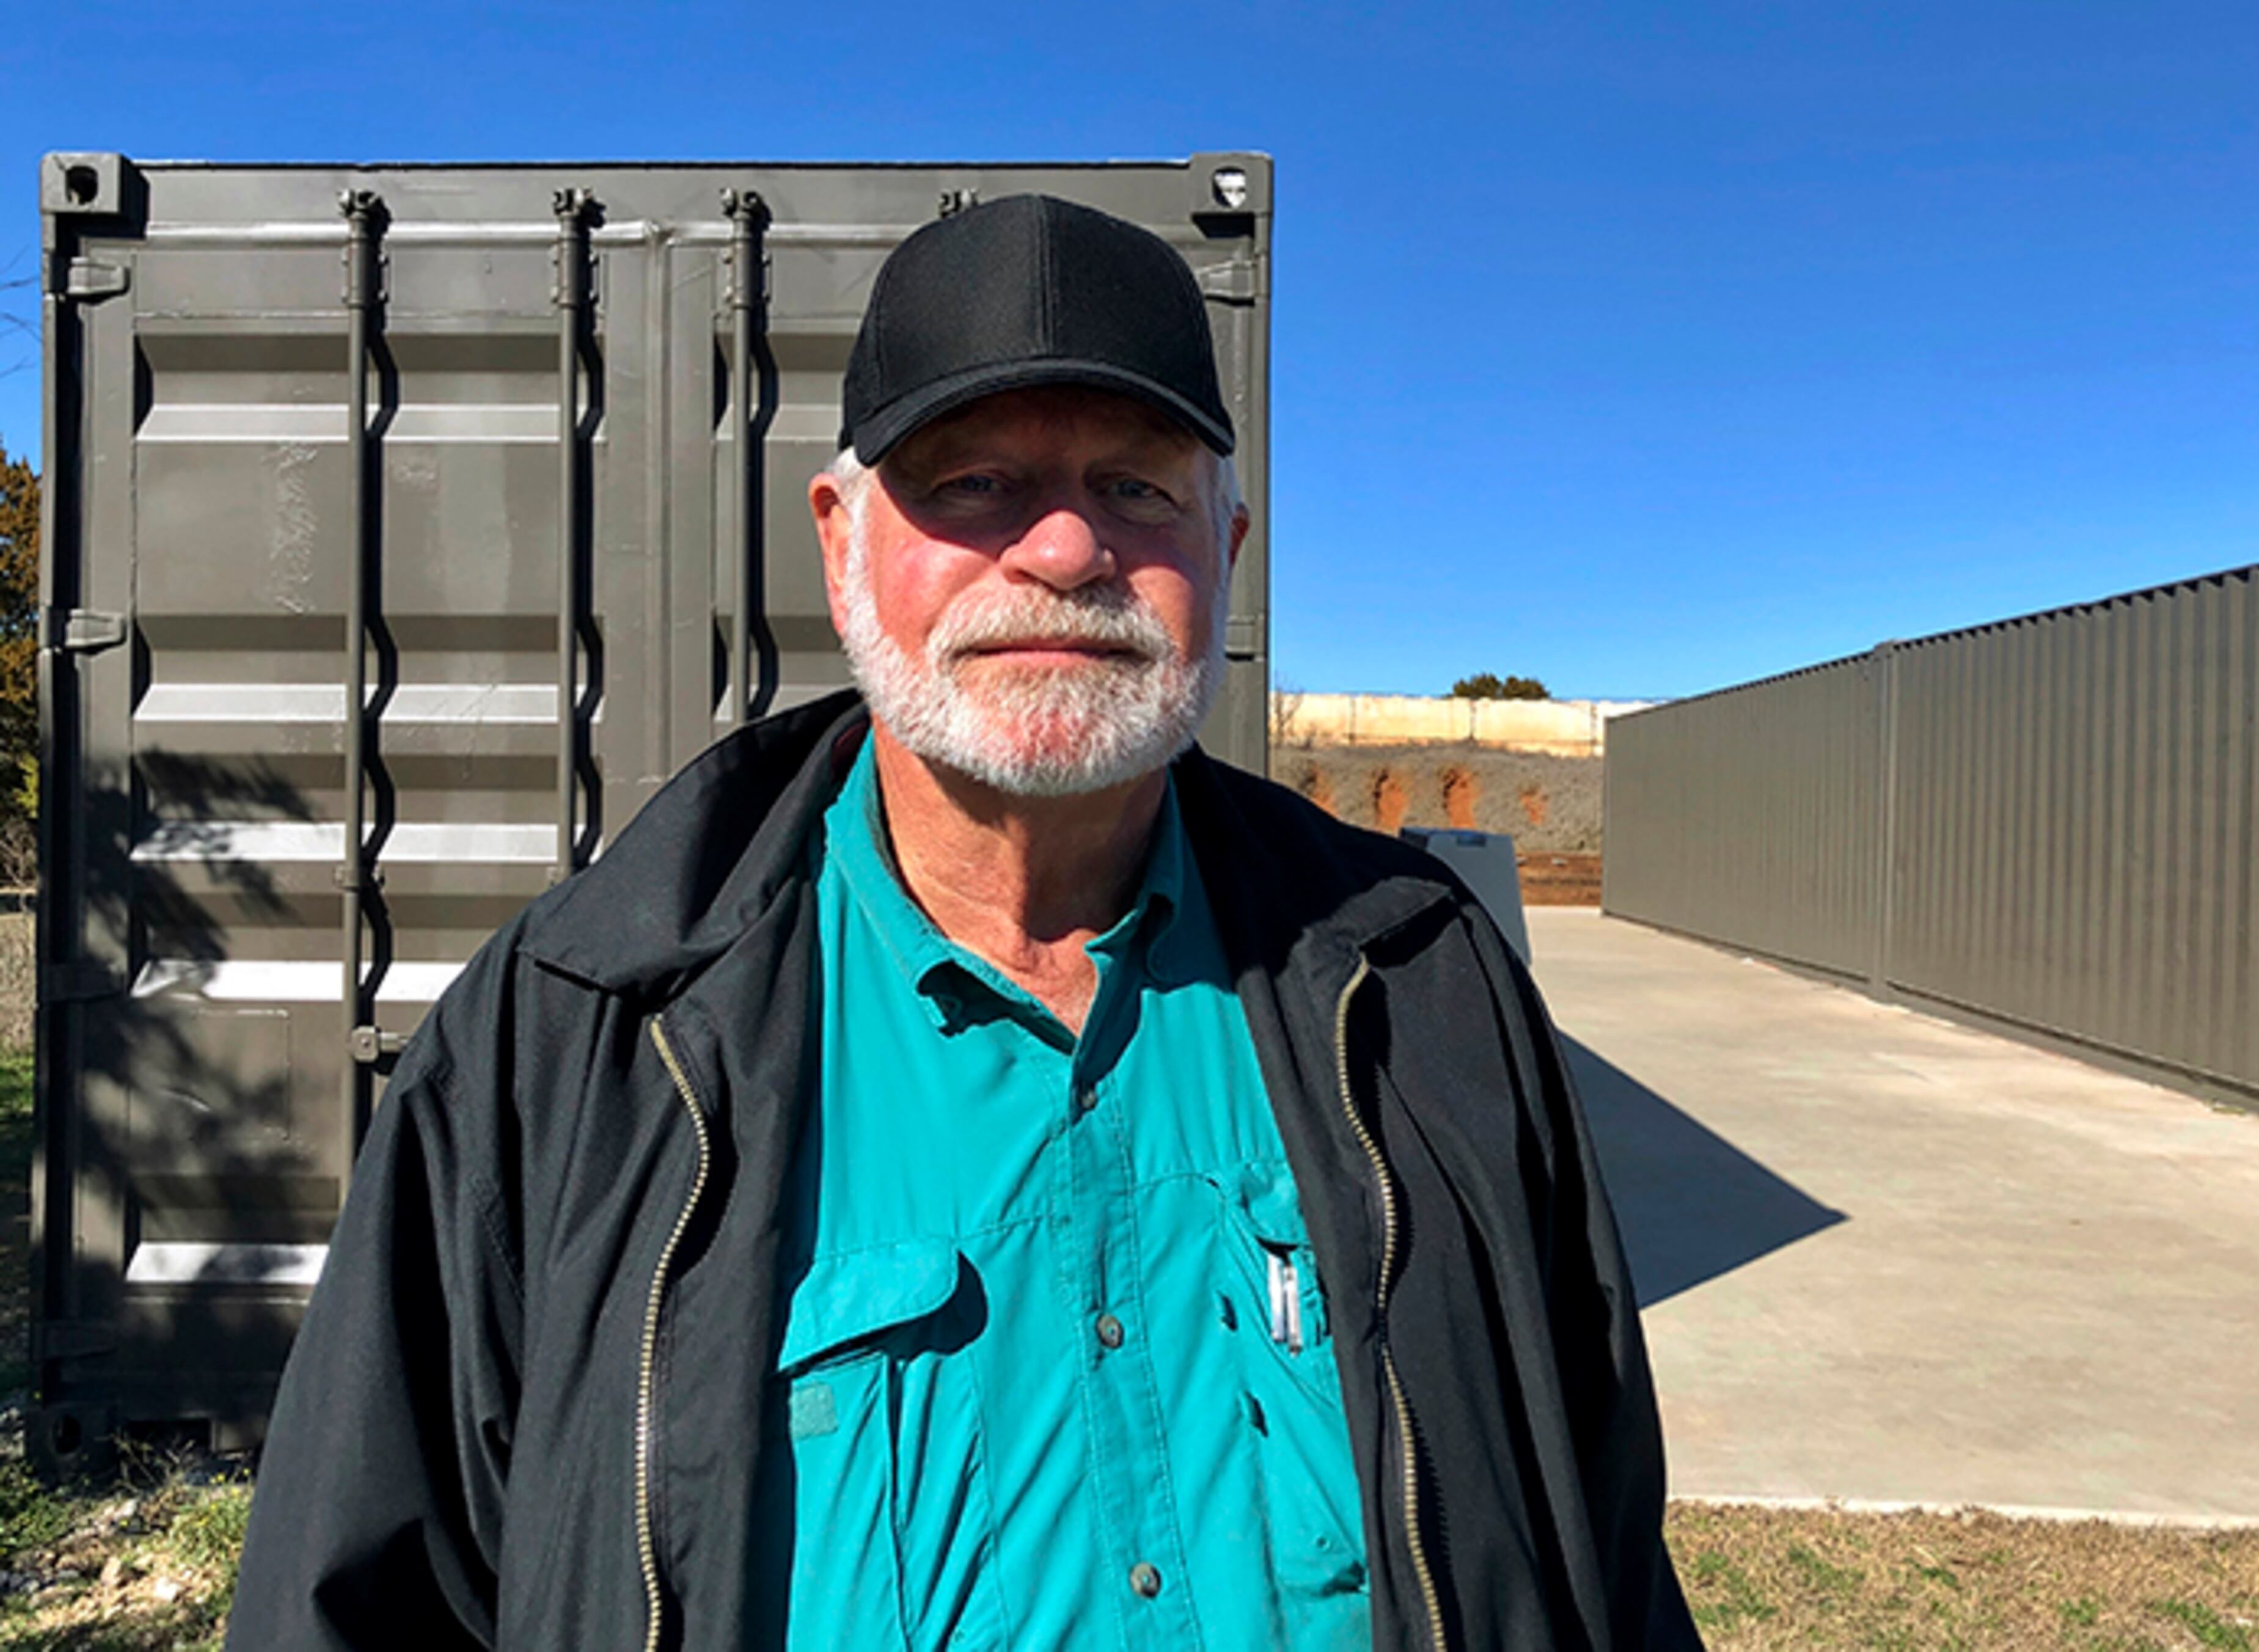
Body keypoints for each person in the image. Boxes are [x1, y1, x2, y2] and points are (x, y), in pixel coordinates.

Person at [227, 193, 1699, 1651]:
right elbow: (352, 1600)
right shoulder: (566, 1045)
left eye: (1135, 486)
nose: (1064, 550)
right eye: (973, 481)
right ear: (842, 540)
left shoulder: (1429, 992)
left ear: (1228, 545)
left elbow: (1608, 1552)